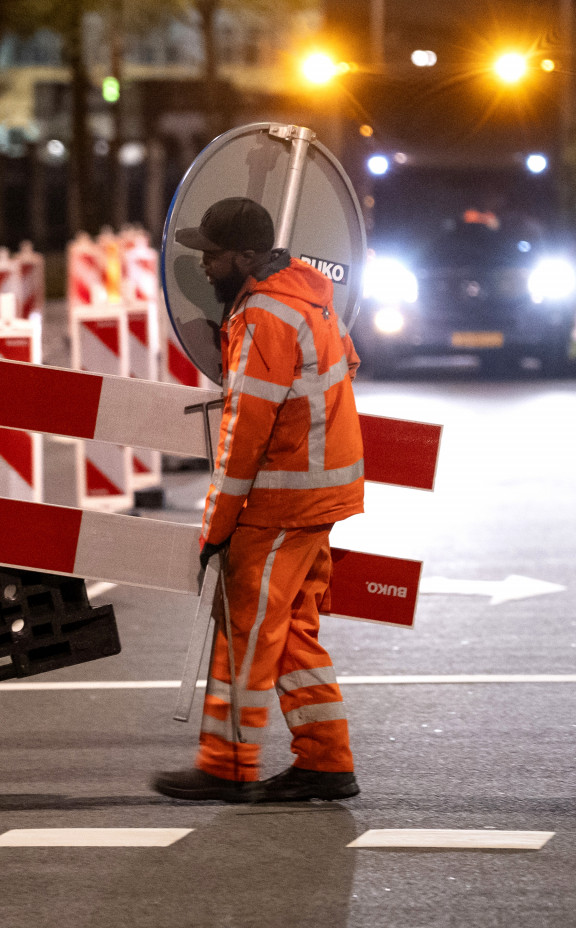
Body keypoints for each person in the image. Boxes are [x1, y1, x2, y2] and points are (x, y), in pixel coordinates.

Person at [152, 196, 366, 803]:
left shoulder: (261, 317)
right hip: (321, 492)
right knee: (293, 628)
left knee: (243, 628)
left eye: (214, 255)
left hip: (284, 498)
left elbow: (244, 431)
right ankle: (325, 759)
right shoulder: (309, 296)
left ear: (246, 257)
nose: (204, 266)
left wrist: (215, 527)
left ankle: (228, 764)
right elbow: (350, 363)